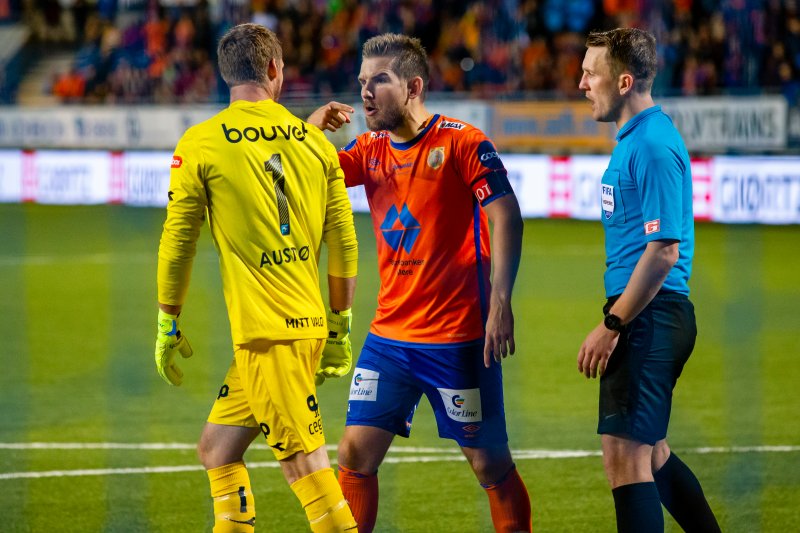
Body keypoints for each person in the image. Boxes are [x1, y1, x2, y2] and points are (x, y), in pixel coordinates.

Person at [308, 33, 531, 532]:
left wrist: (500, 301)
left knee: (489, 464)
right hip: (388, 340)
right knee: (354, 454)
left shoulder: (462, 142)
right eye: (362, 82)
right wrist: (308, 132)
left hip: (456, 340)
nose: (365, 92)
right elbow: (309, 177)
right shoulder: (368, 150)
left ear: (413, 86)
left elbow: (506, 216)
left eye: (379, 81)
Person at [153, 23, 359, 532]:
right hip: (295, 327)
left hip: (271, 336)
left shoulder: (201, 143)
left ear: (225, 75)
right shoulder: (315, 144)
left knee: (303, 466)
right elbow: (344, 242)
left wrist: (167, 320)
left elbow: (178, 244)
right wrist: (340, 322)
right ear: (273, 70)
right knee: (217, 450)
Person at [576, 28, 721, 533]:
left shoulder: (654, 145)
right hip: (650, 313)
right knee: (653, 456)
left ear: (623, 81)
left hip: (648, 316)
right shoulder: (637, 140)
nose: (581, 83)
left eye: (590, 73)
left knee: (625, 460)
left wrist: (612, 324)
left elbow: (663, 251)